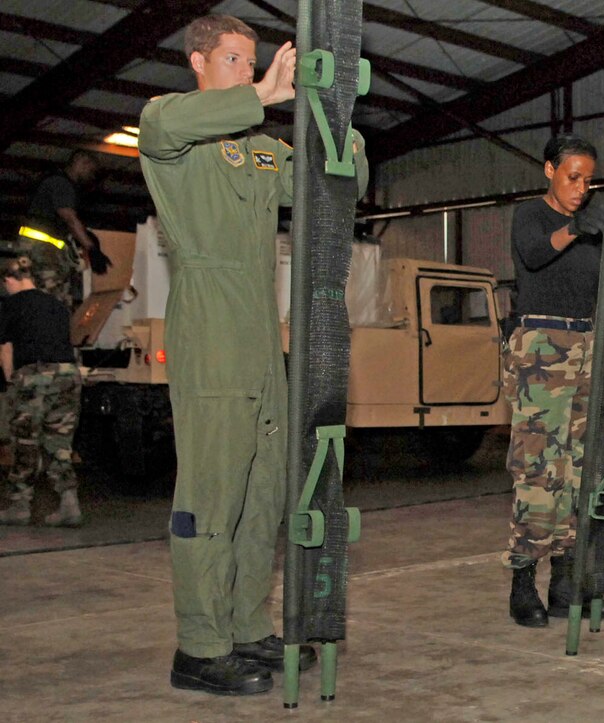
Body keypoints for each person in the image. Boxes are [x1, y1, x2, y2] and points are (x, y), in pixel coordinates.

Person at [138, 14, 368, 696]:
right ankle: (199, 644)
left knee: (263, 487)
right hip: (210, 320)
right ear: (199, 63)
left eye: (254, 61)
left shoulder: (264, 153)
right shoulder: (168, 128)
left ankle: (244, 624)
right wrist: (263, 95)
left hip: (264, 331)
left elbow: (338, 170)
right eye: (234, 60)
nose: (248, 71)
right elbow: (161, 127)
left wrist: (335, 113)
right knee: (212, 492)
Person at [502, 134, 604, 627]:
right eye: (573, 176)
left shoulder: (591, 224)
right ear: (548, 170)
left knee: (576, 467)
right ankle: (523, 577)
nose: (581, 187)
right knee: (538, 468)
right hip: (540, 348)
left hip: (585, 347)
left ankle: (566, 578)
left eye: (588, 180)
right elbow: (534, 254)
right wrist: (575, 228)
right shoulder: (532, 216)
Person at [0, 256, 83, 527]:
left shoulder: (10, 305)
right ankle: (69, 504)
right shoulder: (57, 305)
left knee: (25, 441)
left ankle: (19, 506)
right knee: (60, 443)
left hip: (33, 375)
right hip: (68, 375)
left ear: (9, 280)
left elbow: (6, 349)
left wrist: (11, 380)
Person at [20, 150, 111, 308]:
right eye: (91, 171)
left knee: (54, 300)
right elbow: (69, 218)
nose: (90, 177)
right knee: (52, 301)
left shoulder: (58, 183)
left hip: (44, 250)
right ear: (81, 161)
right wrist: (92, 249)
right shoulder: (61, 184)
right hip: (42, 251)